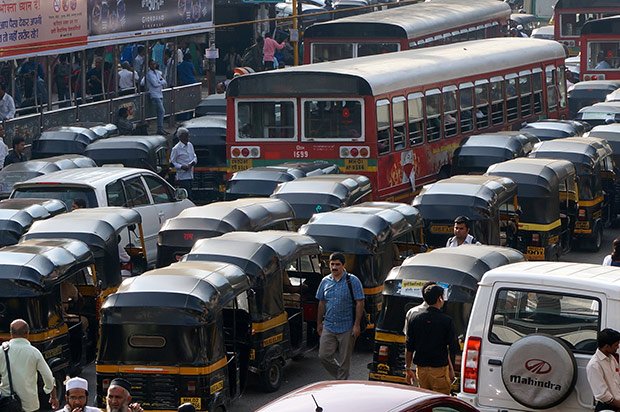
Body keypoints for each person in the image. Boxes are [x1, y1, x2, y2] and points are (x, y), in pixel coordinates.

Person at [316, 252, 364, 380]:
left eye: (337, 264)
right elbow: (321, 302)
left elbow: (360, 302)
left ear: (343, 265)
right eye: (332, 264)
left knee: (344, 361)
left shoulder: (353, 281)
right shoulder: (325, 281)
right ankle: (341, 375)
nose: (334, 267)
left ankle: (341, 383)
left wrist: (357, 325)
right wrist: (319, 323)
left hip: (347, 327)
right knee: (323, 356)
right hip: (329, 325)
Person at [405, 284, 459, 394]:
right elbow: (453, 348)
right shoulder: (447, 321)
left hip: (421, 370)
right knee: (440, 402)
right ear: (440, 298)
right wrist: (452, 370)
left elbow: (409, 347)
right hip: (439, 370)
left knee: (425, 399)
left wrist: (408, 368)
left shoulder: (415, 318)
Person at [0, 319, 58, 412]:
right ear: (27, 333)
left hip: (6, 404)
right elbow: (48, 376)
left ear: (11, 333)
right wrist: (53, 396)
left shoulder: (2, 351)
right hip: (30, 405)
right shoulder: (34, 352)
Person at [586, 328, 620, 411]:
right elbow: (602, 394)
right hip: (607, 407)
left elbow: (617, 379)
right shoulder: (594, 365)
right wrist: (618, 404)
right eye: (616, 345)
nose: (618, 347)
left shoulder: (611, 358)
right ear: (607, 346)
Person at [169, 127, 196, 199]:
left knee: (191, 192)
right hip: (182, 177)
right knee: (187, 195)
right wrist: (181, 166)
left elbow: (194, 156)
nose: (188, 138)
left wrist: (192, 163)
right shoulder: (176, 149)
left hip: (191, 175)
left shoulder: (190, 145)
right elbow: (172, 161)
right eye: (186, 136)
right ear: (180, 137)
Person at [143, 59, 168, 135]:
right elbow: (155, 84)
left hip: (160, 93)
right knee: (161, 110)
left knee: (160, 112)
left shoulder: (157, 73)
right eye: (152, 64)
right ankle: (160, 128)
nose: (154, 65)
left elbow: (164, 81)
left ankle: (160, 128)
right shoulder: (149, 74)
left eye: (154, 64)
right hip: (154, 94)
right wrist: (160, 82)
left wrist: (159, 82)